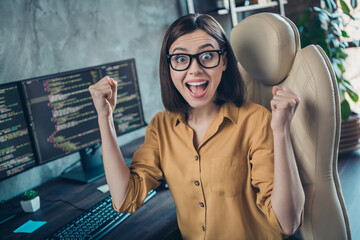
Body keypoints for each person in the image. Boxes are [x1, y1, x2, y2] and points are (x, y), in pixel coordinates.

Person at [89, 13, 305, 240]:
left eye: (207, 55)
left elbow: (287, 223)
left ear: (223, 61)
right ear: (169, 66)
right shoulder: (160, 127)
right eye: (181, 59)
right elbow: (125, 199)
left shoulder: (256, 121)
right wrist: (105, 117)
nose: (194, 70)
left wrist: (281, 131)